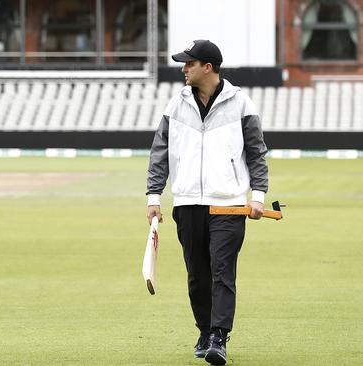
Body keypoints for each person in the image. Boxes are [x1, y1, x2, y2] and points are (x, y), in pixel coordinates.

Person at [146, 40, 269, 366]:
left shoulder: (241, 103)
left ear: (208, 67)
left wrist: (257, 196)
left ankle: (218, 336)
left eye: (189, 63)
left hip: (228, 204)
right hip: (186, 203)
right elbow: (159, 153)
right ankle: (204, 329)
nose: (184, 68)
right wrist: (153, 196)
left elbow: (256, 153)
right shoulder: (175, 105)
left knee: (221, 271)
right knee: (197, 276)